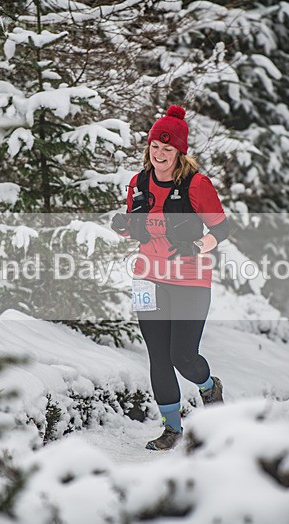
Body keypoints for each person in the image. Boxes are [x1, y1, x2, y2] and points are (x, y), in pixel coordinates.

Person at [111, 105, 231, 451]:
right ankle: (172, 429)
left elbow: (222, 229)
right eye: (154, 147)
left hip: (190, 279)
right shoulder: (138, 182)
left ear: (180, 152)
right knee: (158, 357)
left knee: (183, 357)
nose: (159, 154)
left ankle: (209, 387)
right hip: (148, 277)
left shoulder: (197, 184)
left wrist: (199, 245)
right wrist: (123, 227)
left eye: (167, 148)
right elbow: (138, 229)